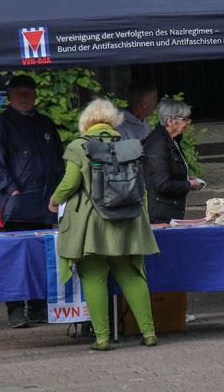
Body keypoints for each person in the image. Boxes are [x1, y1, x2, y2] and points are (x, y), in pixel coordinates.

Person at [47, 99, 159, 351]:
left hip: (93, 225)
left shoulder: (80, 146)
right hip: (128, 220)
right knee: (131, 275)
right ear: (113, 121)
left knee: (94, 276)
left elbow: (70, 182)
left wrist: (54, 200)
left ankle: (102, 338)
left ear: (86, 122)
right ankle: (149, 332)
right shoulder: (128, 145)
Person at [0, 74, 64, 328]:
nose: (25, 96)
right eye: (20, 92)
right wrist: (11, 189)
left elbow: (58, 161)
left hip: (45, 204)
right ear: (10, 96)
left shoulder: (46, 124)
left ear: (35, 94)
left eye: (29, 92)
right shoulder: (0, 125)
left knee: (42, 258)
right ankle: (16, 309)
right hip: (15, 207)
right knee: (14, 260)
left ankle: (39, 307)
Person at [141, 99, 201, 224]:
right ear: (170, 121)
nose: (188, 123)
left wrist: (186, 178)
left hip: (170, 209)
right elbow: (162, 184)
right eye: (185, 119)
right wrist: (188, 185)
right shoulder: (158, 144)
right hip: (160, 214)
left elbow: (169, 170)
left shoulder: (173, 141)